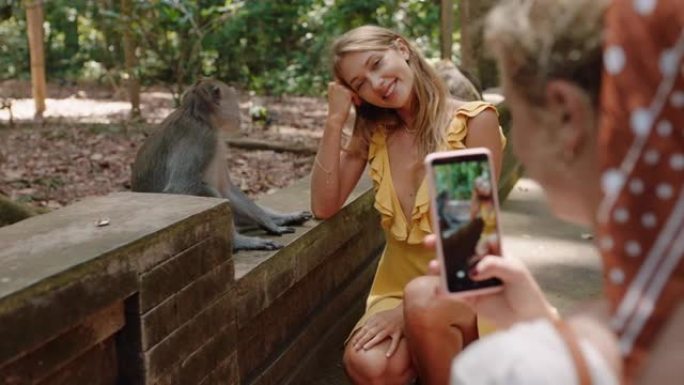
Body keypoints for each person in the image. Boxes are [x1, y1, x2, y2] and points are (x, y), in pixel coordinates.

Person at [417, 0, 682, 383]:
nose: (517, 141)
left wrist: (547, 344)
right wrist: (540, 321)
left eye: (518, 114)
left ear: (565, 114)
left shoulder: (510, 368)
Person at [310, 25, 505, 385]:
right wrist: (335, 120)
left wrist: (406, 312)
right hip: (398, 286)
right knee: (371, 365)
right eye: (360, 84)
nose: (376, 83)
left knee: (422, 301)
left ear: (401, 47)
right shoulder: (375, 134)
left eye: (377, 63)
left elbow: (467, 244)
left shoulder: (473, 122)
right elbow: (324, 205)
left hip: (466, 280)